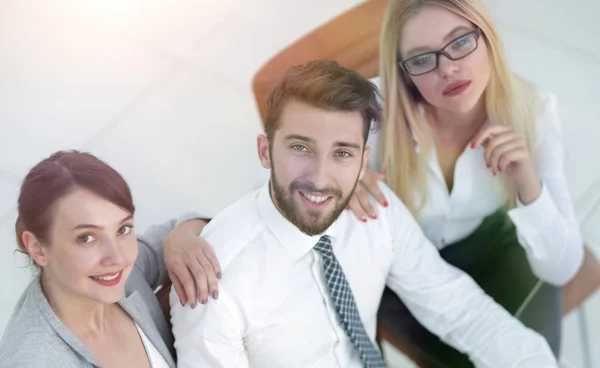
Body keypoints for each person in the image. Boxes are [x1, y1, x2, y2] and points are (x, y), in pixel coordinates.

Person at [169, 60, 558, 367]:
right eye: (300, 148)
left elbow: (457, 308)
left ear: (362, 160)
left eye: (342, 153)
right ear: (264, 151)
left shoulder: (373, 208)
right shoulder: (213, 282)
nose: (320, 179)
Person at [345, 0, 584, 365]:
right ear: (404, 72)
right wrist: (335, 182)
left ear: (486, 36)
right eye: (423, 59)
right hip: (404, 274)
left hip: (495, 247)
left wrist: (527, 184)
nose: (449, 69)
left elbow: (561, 268)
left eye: (460, 42)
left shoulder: (533, 111)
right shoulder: (371, 113)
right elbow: (281, 163)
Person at [0, 150, 221, 367]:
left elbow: (187, 223)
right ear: (37, 248)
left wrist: (179, 240)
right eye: (86, 237)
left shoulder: (122, 274)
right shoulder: (33, 360)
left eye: (123, 228)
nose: (117, 258)